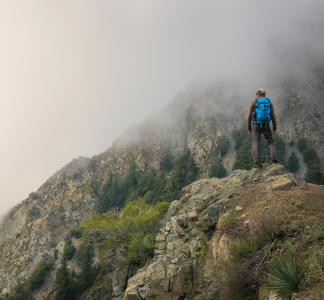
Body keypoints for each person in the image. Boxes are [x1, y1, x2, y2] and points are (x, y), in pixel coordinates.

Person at [247, 88, 278, 169]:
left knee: (256, 142)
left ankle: (257, 163)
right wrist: (274, 128)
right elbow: (273, 117)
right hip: (266, 125)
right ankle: (274, 158)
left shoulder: (253, 103)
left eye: (256, 93)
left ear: (257, 94)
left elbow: (249, 116)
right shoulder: (269, 103)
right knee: (270, 141)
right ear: (264, 94)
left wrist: (249, 128)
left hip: (255, 125)